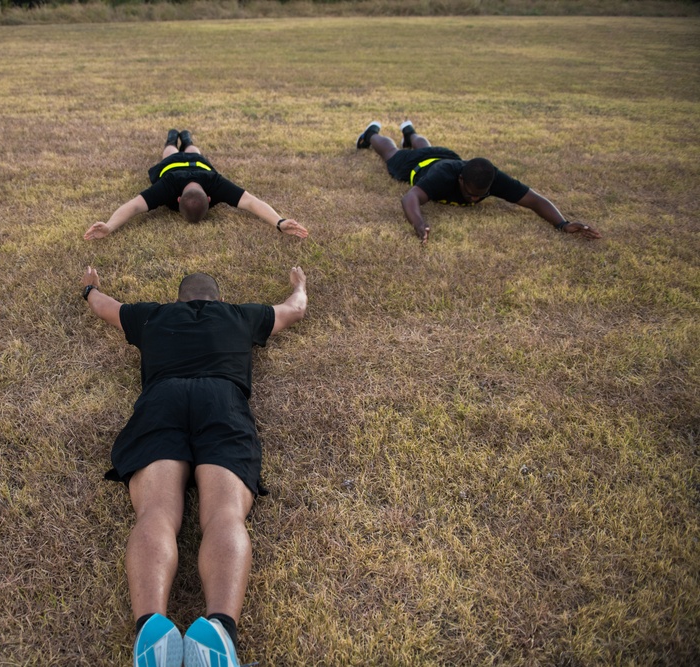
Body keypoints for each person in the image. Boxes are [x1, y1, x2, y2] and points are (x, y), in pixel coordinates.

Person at [81, 264, 308, 667]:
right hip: (223, 400)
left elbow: (104, 306)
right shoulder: (242, 314)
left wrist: (88, 289)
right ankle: (218, 629)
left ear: (179, 299)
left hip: (162, 400)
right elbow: (295, 309)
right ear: (218, 299)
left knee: (156, 512)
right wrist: (300, 285)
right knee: (224, 514)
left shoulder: (151, 315)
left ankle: (152, 629)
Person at [356, 119, 602, 244]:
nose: (473, 199)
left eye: (479, 195)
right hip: (420, 165)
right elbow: (410, 197)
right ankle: (372, 133)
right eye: (469, 193)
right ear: (460, 179)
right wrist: (419, 224)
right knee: (391, 154)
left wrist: (562, 224)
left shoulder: (491, 177)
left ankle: (409, 133)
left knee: (429, 147)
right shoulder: (444, 177)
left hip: (445, 155)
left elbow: (534, 200)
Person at [83, 129, 309, 240]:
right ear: (210, 199)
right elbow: (252, 202)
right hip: (183, 165)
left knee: (175, 153)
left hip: (184, 166)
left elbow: (133, 206)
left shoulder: (172, 186)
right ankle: (179, 138)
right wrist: (277, 222)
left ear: (178, 199)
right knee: (176, 152)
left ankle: (178, 138)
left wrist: (112, 225)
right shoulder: (215, 183)